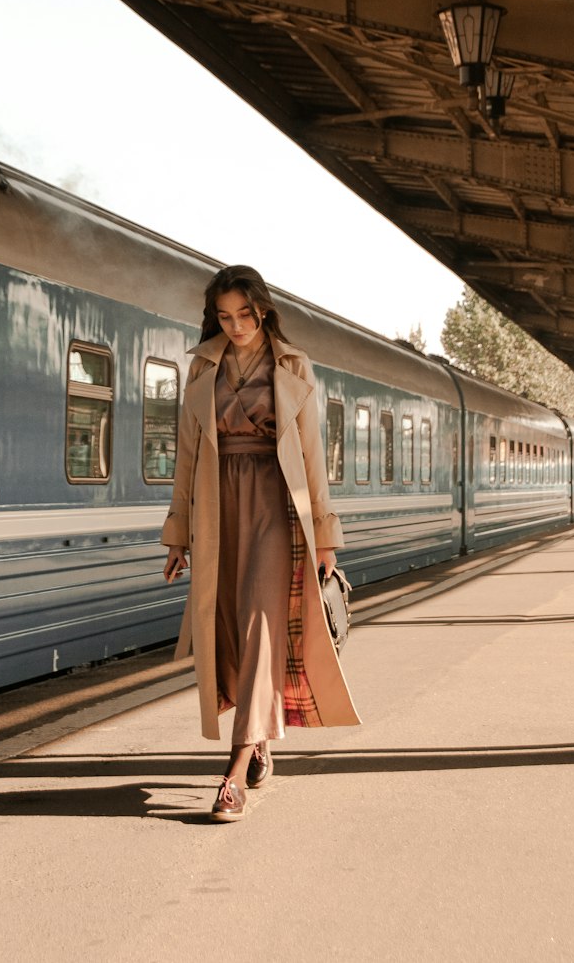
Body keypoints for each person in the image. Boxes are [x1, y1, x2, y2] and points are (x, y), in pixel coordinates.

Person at [162, 265, 360, 822]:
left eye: (245, 315)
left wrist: (325, 536)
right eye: (224, 316)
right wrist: (178, 534)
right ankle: (261, 741)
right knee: (226, 627)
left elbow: (315, 459)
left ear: (264, 310)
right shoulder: (203, 365)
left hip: (276, 504)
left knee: (260, 628)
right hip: (217, 503)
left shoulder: (293, 365)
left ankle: (234, 772)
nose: (236, 325)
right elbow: (187, 455)